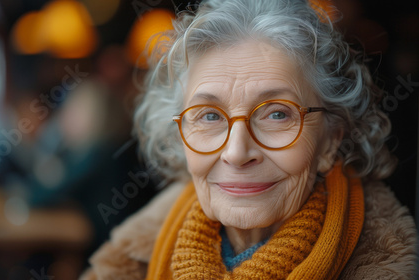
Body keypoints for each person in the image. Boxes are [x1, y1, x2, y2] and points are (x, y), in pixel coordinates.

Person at [82, 0, 417, 279]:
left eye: (276, 114)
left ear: (330, 142)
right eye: (210, 116)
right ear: (180, 137)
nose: (237, 152)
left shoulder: (389, 266)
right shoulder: (130, 261)